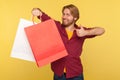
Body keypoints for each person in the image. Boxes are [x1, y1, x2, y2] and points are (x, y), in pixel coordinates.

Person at [31, 4, 105, 80]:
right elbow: (43, 15)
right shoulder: (57, 26)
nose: (64, 17)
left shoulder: (81, 31)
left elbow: (101, 30)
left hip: (76, 74)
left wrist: (86, 33)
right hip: (58, 74)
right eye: (63, 14)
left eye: (68, 15)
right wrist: (38, 11)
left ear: (75, 18)